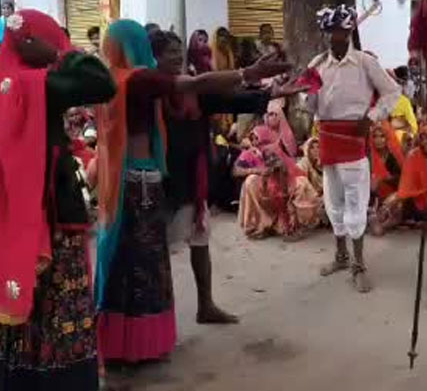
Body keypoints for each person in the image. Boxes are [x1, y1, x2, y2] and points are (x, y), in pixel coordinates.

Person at [94, 19, 290, 364]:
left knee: (167, 254)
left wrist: (268, 92)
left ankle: (199, 308)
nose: (176, 59)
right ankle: (132, 344)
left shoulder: (155, 86)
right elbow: (200, 82)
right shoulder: (147, 84)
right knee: (144, 263)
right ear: (147, 53)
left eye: (178, 53)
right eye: (169, 53)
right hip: (153, 185)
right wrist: (248, 71)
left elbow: (225, 98)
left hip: (182, 180)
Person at [0, 8, 116, 391]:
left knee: (24, 311)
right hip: (51, 221)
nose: (60, 42)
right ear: (33, 43)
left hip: (18, 219)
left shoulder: (5, 83)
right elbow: (101, 82)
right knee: (54, 309)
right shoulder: (40, 84)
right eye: (52, 35)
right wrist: (59, 53)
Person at [307, 5, 400, 293]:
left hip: (353, 139)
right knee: (333, 201)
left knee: (356, 202)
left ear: (350, 31)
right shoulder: (317, 64)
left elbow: (392, 91)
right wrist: (305, 89)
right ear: (326, 33)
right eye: (332, 31)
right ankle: (341, 256)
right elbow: (310, 106)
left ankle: (359, 264)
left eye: (343, 31)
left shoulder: (364, 62)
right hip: (327, 138)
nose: (337, 36)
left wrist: (371, 118)